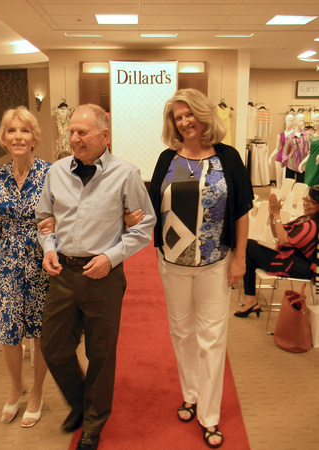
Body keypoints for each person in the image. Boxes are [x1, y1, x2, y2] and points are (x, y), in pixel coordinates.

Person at [36, 103, 156, 450]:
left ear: (105, 136)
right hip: (62, 274)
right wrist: (48, 247)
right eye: (71, 131)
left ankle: (94, 421)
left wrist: (111, 256)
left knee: (101, 353)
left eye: (82, 132)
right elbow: (45, 218)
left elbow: (144, 225)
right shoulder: (56, 172)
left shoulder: (125, 173)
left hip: (103, 275)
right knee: (53, 348)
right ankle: (82, 402)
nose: (74, 138)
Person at [149, 89, 254, 449]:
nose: (185, 121)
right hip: (173, 264)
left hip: (215, 263)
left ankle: (210, 416)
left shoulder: (229, 158)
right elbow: (152, 208)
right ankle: (190, 395)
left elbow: (241, 211)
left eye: (190, 114)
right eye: (178, 117)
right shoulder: (167, 159)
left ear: (204, 115)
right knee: (182, 334)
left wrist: (240, 258)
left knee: (212, 339)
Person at [0, 106, 52, 428]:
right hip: (7, 261)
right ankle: (15, 387)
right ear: (3, 139)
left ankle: (36, 392)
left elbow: (58, 220)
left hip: (41, 259)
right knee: (9, 331)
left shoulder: (51, 173)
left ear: (34, 137)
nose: (18, 136)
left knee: (40, 331)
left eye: (24, 131)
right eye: (11, 131)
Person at [235, 185, 319, 317]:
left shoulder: (312, 225)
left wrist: (276, 214)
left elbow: (283, 240)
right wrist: (272, 214)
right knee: (250, 251)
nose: (305, 204)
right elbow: (277, 233)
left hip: (298, 265)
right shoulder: (305, 219)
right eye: (305, 199)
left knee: (249, 247)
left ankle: (251, 300)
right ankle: (251, 300)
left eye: (311, 202)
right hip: (290, 258)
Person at [269, 114, 295, 189]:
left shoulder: (295, 134)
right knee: (279, 180)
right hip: (280, 158)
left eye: (291, 121)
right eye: (287, 121)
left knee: (287, 180)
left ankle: (286, 196)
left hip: (291, 159)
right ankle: (278, 197)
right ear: (285, 121)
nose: (289, 123)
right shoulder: (280, 135)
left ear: (293, 122)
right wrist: (271, 157)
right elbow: (277, 149)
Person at [282, 113, 309, 183]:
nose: (302, 123)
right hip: (291, 164)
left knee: (301, 185)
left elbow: (309, 149)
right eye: (300, 121)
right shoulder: (290, 136)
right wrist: (285, 160)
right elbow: (285, 150)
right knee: (289, 184)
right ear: (296, 121)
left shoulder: (307, 135)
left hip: (302, 165)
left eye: (303, 121)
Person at [299, 114, 319, 187]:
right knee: (308, 184)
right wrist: (302, 163)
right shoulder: (312, 137)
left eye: (316, 121)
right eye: (313, 121)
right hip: (311, 163)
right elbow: (310, 153)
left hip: (318, 164)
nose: (314, 123)